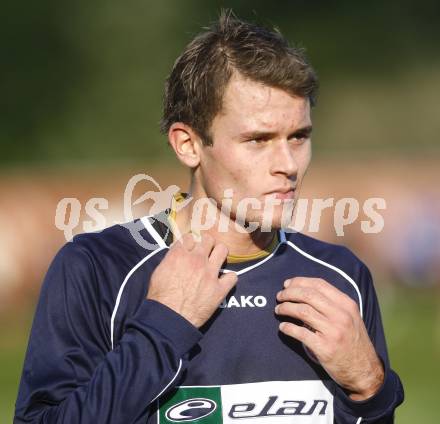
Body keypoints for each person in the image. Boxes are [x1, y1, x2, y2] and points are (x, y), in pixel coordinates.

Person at [15, 10, 404, 424]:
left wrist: (371, 387)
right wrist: (161, 328)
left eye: (299, 137)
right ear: (188, 144)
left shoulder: (341, 276)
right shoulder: (98, 268)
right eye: (258, 140)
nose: (288, 164)